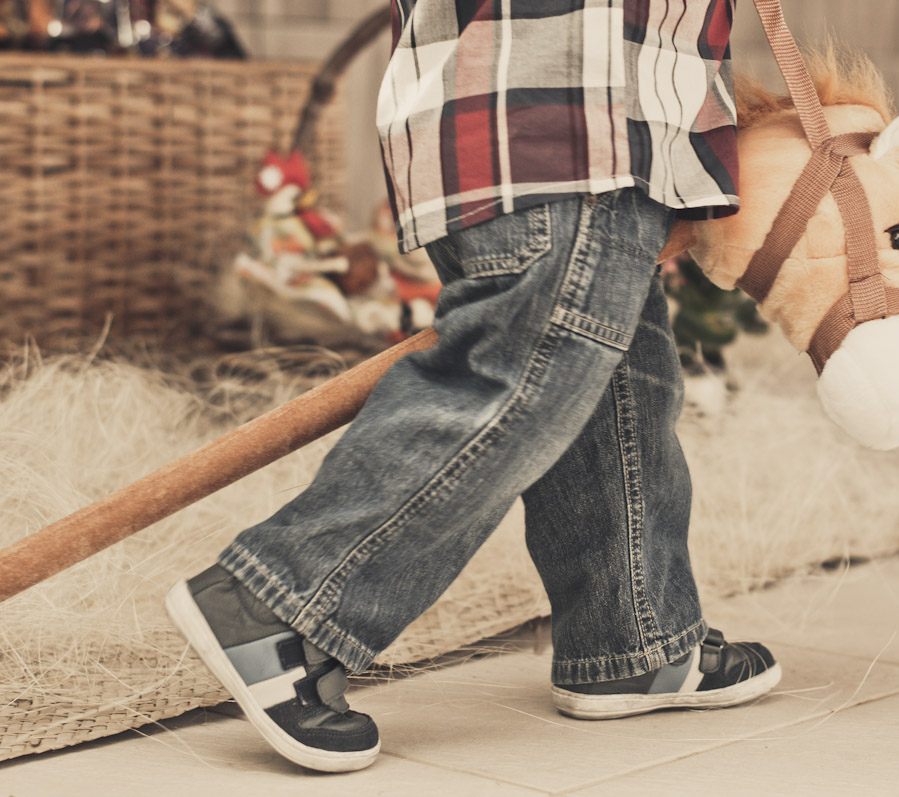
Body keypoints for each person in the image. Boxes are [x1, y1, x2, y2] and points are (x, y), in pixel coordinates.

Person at [164, 0, 780, 773]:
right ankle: (281, 602)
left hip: (552, 117)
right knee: (523, 378)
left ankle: (634, 636)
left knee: (622, 378)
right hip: (568, 112)